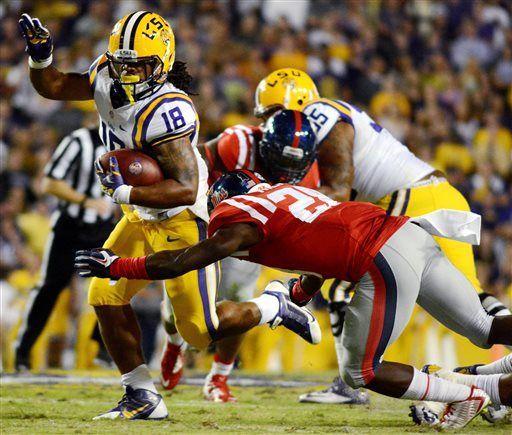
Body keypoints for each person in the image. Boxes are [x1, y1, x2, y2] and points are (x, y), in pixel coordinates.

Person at [19, 12, 320, 419]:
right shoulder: (108, 72)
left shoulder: (169, 110)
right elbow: (55, 86)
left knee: (201, 330)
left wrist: (123, 189)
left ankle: (274, 305)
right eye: (122, 63)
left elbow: (186, 186)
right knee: (104, 294)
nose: (127, 73)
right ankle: (141, 395)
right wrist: (41, 57)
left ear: (161, 63)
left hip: (181, 215)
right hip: (140, 211)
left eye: (138, 65)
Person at [76, 170, 512, 430]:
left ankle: (464, 395)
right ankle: (488, 387)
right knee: (484, 326)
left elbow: (187, 259)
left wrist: (118, 267)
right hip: (409, 234)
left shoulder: (237, 216)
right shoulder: (288, 193)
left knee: (361, 371)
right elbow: (318, 244)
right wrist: (300, 293)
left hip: (379, 259)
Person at [251, 67, 511, 404]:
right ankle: (502, 384)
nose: (268, 126)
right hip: (434, 197)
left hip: (409, 201)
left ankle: (348, 386)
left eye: (272, 114)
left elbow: (337, 197)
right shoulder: (325, 118)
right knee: (479, 316)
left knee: (348, 282)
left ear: (295, 104)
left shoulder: (320, 114)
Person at [161, 109, 321, 401]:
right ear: (267, 146)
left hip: (251, 235)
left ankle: (218, 377)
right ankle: (174, 344)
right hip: (208, 222)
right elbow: (193, 162)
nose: (287, 171)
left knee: (239, 298)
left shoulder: (310, 175)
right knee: (177, 309)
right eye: (281, 160)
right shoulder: (239, 143)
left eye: (294, 163)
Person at [14, 124, 115, 371]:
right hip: (69, 226)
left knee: (116, 282)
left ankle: (103, 345)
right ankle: (23, 352)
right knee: (49, 288)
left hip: (102, 228)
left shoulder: (128, 141)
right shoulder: (79, 140)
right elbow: (49, 183)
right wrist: (86, 201)